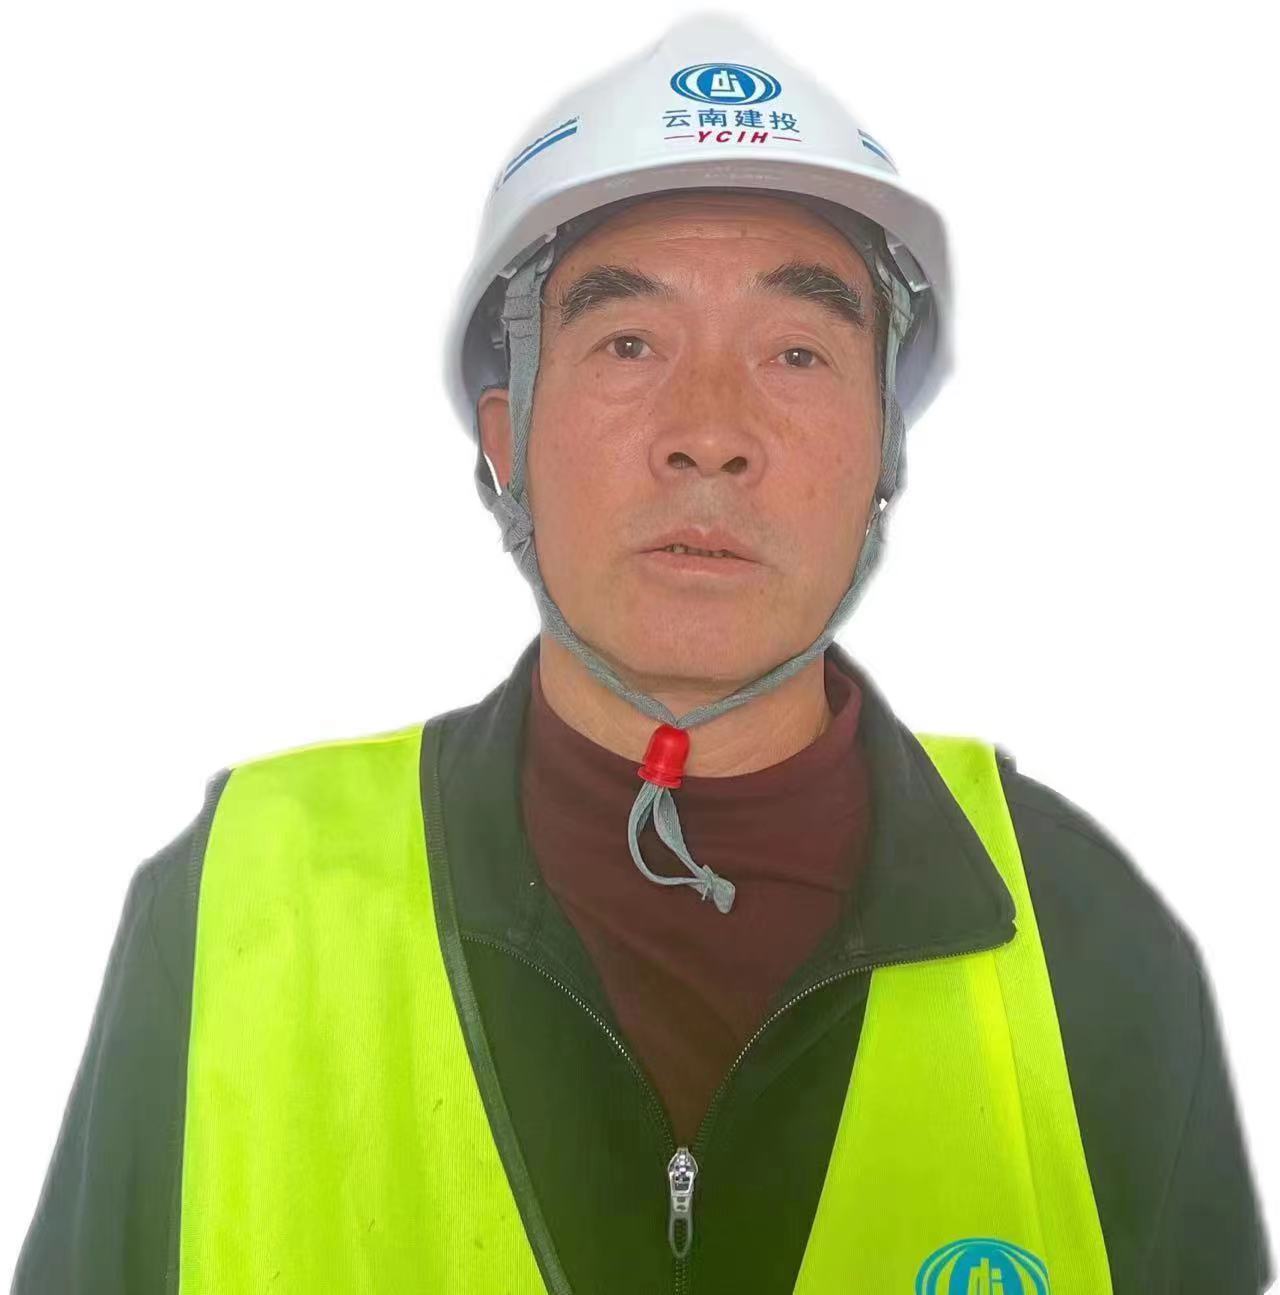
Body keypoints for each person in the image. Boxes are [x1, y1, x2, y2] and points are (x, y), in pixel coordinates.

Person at [11, 14, 1273, 1295]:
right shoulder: (241, 901)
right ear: (506, 438)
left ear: (882, 455)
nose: (709, 433)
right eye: (627, 342)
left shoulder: (1084, 939)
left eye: (795, 351)